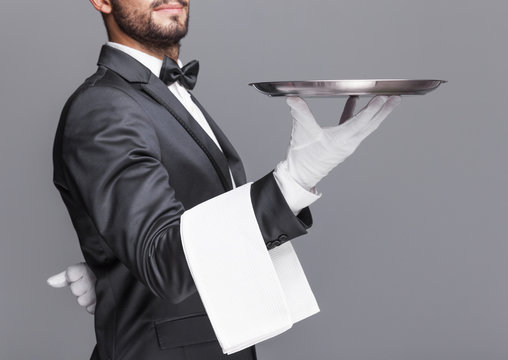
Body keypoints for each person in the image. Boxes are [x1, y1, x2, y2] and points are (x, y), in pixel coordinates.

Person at [47, 0, 401, 359]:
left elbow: (171, 231)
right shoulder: (105, 107)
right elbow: (160, 260)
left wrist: (112, 272)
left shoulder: (162, 94)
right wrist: (293, 180)